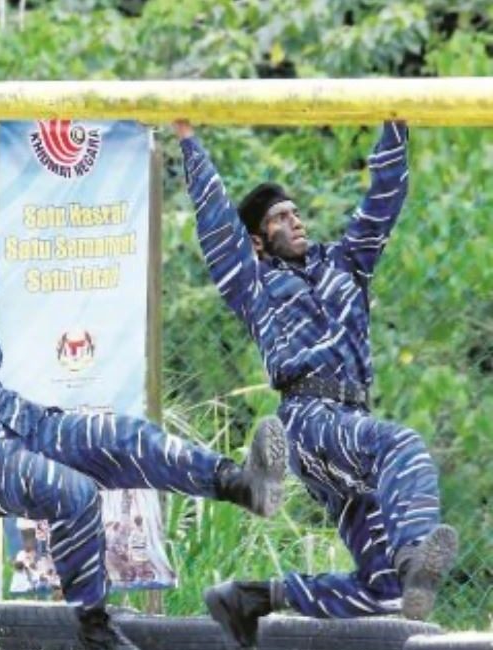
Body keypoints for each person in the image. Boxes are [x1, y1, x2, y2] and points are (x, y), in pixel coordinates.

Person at [0, 113, 288, 650]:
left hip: (17, 419)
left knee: (125, 437)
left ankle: (242, 484)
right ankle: (94, 629)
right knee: (74, 494)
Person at [173, 119, 458, 647]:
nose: (296, 221)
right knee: (405, 447)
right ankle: (416, 553)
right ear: (259, 241)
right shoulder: (254, 282)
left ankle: (252, 597)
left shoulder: (346, 265)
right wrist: (189, 141)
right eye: (281, 218)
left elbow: (382, 203)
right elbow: (215, 225)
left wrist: (396, 123)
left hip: (350, 427)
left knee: (383, 591)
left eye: (296, 212)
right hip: (309, 418)